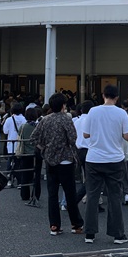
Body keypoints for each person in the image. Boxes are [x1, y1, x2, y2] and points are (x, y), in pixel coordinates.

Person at [82, 85, 128, 245]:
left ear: (103, 95)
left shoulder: (93, 111)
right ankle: (118, 235)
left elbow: (86, 134)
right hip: (115, 160)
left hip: (94, 159)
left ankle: (89, 234)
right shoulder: (122, 113)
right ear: (117, 97)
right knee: (114, 197)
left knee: (92, 196)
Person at [31, 92, 84, 236]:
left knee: (52, 194)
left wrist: (43, 148)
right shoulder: (66, 119)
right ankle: (76, 224)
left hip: (50, 160)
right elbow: (72, 138)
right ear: (63, 105)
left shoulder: (45, 120)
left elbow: (34, 137)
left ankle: (54, 225)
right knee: (70, 193)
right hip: (65, 160)